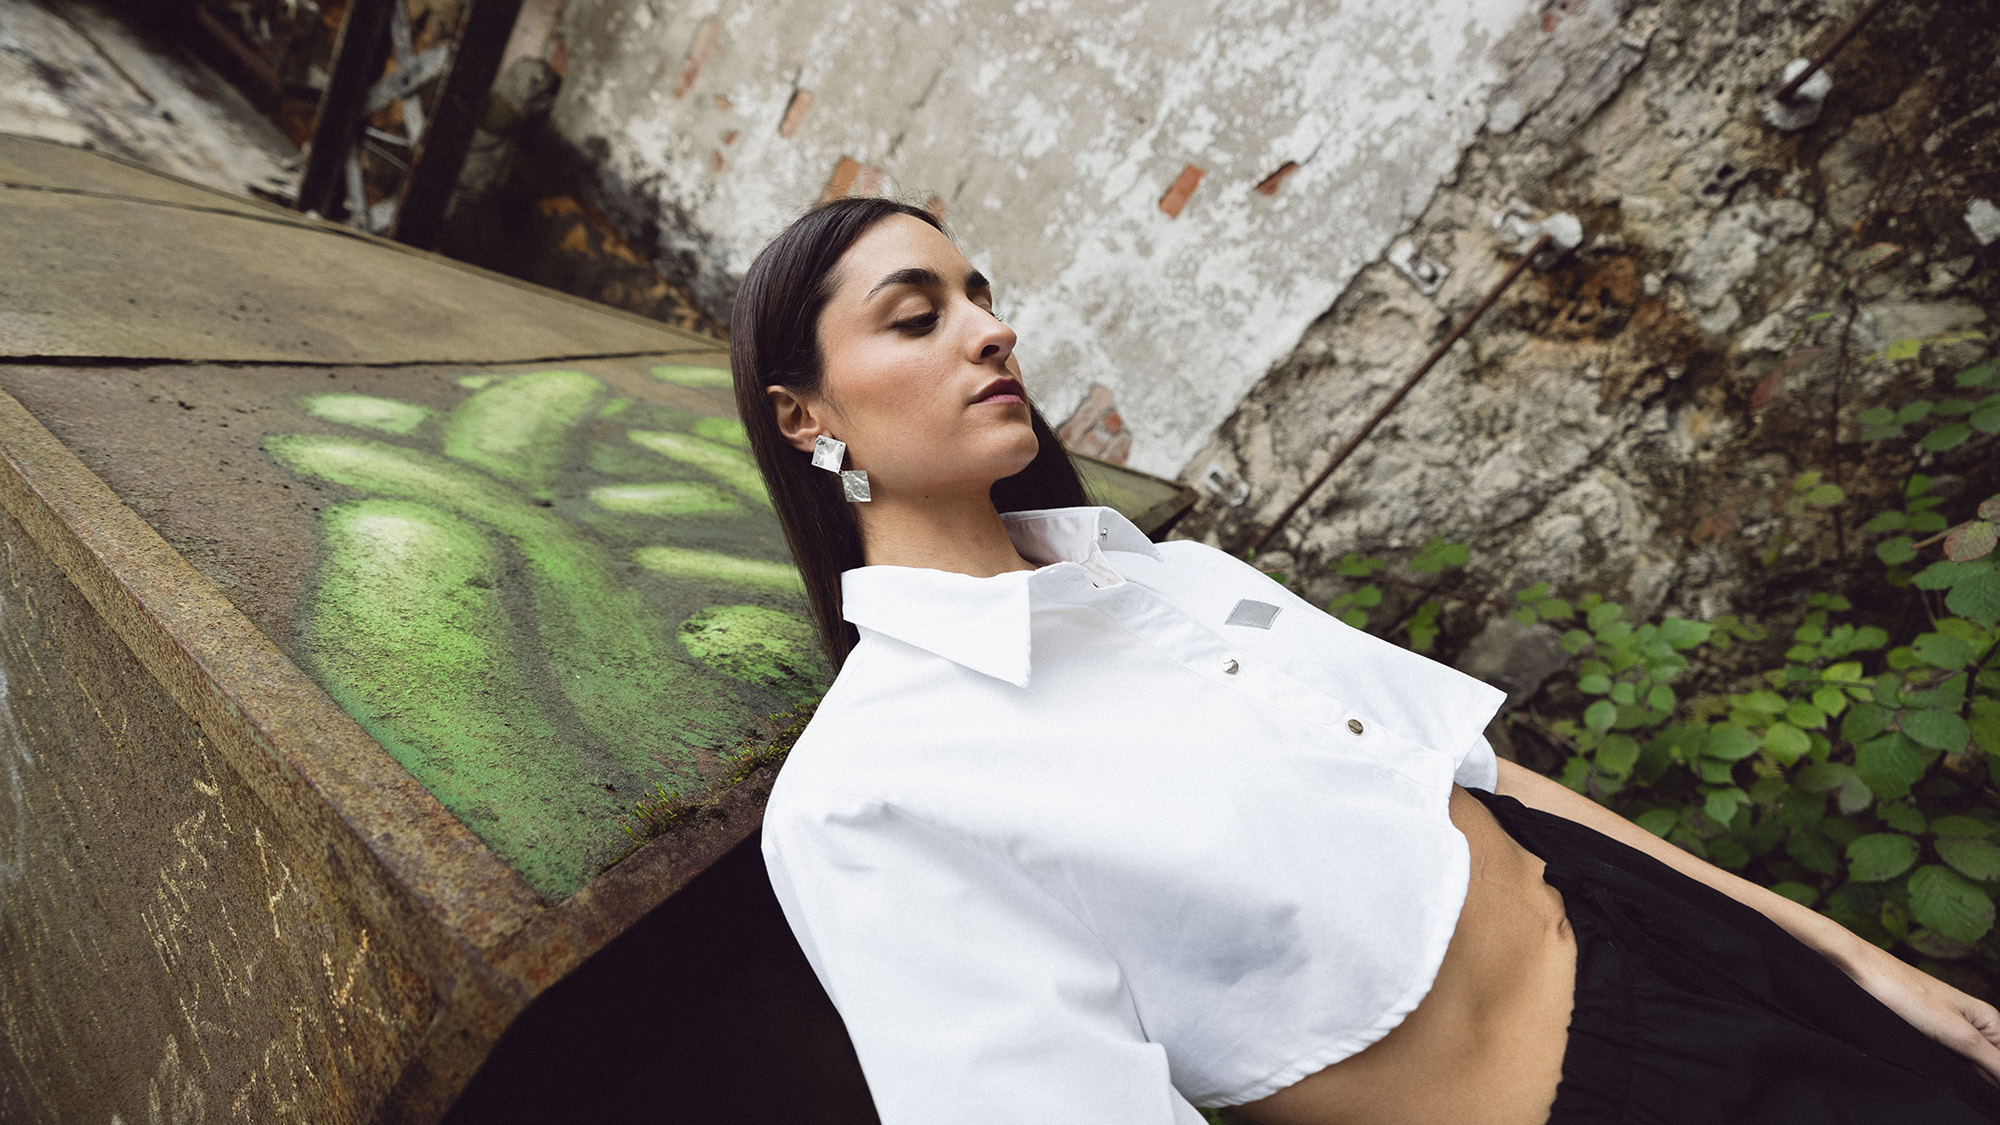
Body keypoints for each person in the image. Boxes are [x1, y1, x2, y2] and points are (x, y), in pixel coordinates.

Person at [730, 196, 2000, 1123]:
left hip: (1702, 958)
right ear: (803, 416)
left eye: (981, 295)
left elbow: (1483, 779)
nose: (992, 331)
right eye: (919, 316)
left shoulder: (1176, 581)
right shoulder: (867, 793)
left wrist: (1849, 958)